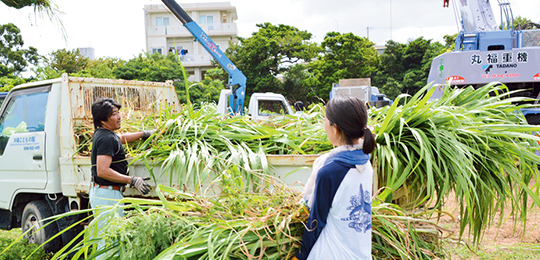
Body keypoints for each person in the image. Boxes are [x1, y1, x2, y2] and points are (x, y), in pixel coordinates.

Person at [294, 95, 375, 260]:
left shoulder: (329, 171)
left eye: (325, 119)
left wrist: (300, 256)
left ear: (335, 128)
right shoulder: (366, 163)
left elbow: (315, 222)